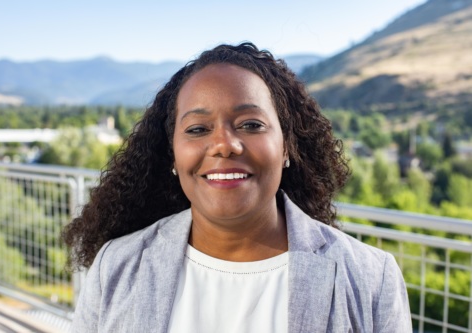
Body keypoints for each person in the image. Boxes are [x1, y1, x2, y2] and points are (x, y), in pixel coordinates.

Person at [65, 42, 412, 332]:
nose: (224, 144)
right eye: (198, 129)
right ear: (172, 154)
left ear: (286, 146)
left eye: (250, 124)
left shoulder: (370, 279)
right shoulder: (116, 267)